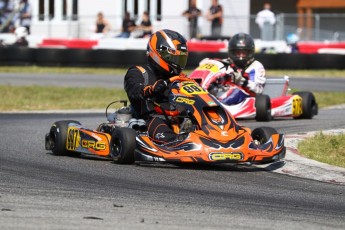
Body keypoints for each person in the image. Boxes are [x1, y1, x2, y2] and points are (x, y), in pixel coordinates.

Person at [124, 29, 188, 142]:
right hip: (150, 118)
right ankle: (175, 143)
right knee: (162, 130)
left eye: (180, 59)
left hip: (178, 117)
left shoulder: (180, 78)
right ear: (158, 53)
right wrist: (152, 89)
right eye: (174, 58)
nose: (177, 63)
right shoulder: (139, 72)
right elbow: (134, 91)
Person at [200, 33, 266, 105]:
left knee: (236, 90)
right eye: (238, 53)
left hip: (247, 99)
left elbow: (258, 90)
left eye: (244, 53)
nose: (241, 56)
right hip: (223, 92)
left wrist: (242, 81)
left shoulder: (256, 66)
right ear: (232, 52)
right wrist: (208, 63)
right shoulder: (226, 63)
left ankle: (219, 105)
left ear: (250, 52)